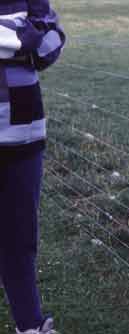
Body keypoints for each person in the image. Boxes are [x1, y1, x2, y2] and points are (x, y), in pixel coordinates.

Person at [0, 0, 65, 333]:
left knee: (20, 239)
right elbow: (34, 40)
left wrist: (23, 38)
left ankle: (30, 325)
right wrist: (20, 34)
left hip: (24, 135)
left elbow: (51, 45)